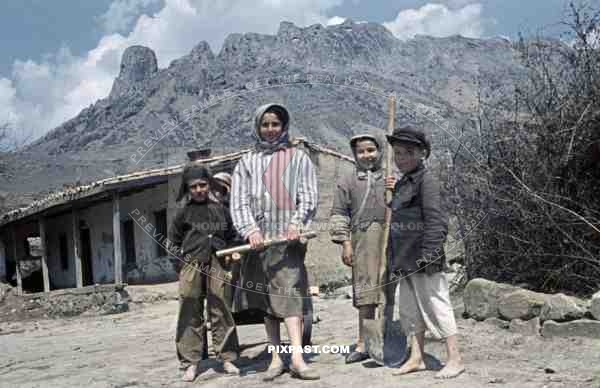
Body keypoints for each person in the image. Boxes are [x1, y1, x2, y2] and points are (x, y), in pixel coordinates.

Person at [230, 103, 319, 381]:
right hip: (259, 242)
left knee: (289, 295)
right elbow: (239, 201)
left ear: (284, 126)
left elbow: (308, 195)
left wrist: (296, 223)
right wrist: (250, 231)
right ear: (258, 127)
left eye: (275, 124)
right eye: (265, 125)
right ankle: (276, 358)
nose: (270, 130)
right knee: (267, 300)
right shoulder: (246, 162)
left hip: (288, 241)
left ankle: (297, 358)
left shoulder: (298, 157)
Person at [384, 125, 465, 379]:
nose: (402, 158)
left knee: (437, 306)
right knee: (410, 311)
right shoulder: (402, 184)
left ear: (423, 154)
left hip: (423, 258)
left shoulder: (428, 181)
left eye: (408, 152)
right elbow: (400, 217)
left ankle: (455, 359)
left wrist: (429, 254)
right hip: (404, 258)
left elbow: (436, 221)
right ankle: (417, 357)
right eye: (397, 153)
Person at [170, 163, 240, 382]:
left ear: (208, 185)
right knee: (189, 308)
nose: (199, 190)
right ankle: (190, 363)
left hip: (217, 262)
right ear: (188, 189)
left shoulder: (220, 209)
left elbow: (233, 235)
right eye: (194, 187)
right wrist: (180, 265)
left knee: (220, 306)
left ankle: (227, 357)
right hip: (191, 263)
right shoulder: (182, 212)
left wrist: (233, 252)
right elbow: (172, 242)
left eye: (202, 185)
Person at [330, 134, 386, 363]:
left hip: (391, 239)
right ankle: (363, 344)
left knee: (388, 292)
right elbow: (339, 213)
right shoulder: (347, 181)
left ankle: (385, 342)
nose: (367, 155)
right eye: (361, 151)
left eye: (371, 150)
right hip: (363, 241)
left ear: (379, 151)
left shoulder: (392, 176)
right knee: (366, 292)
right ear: (354, 155)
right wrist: (345, 243)